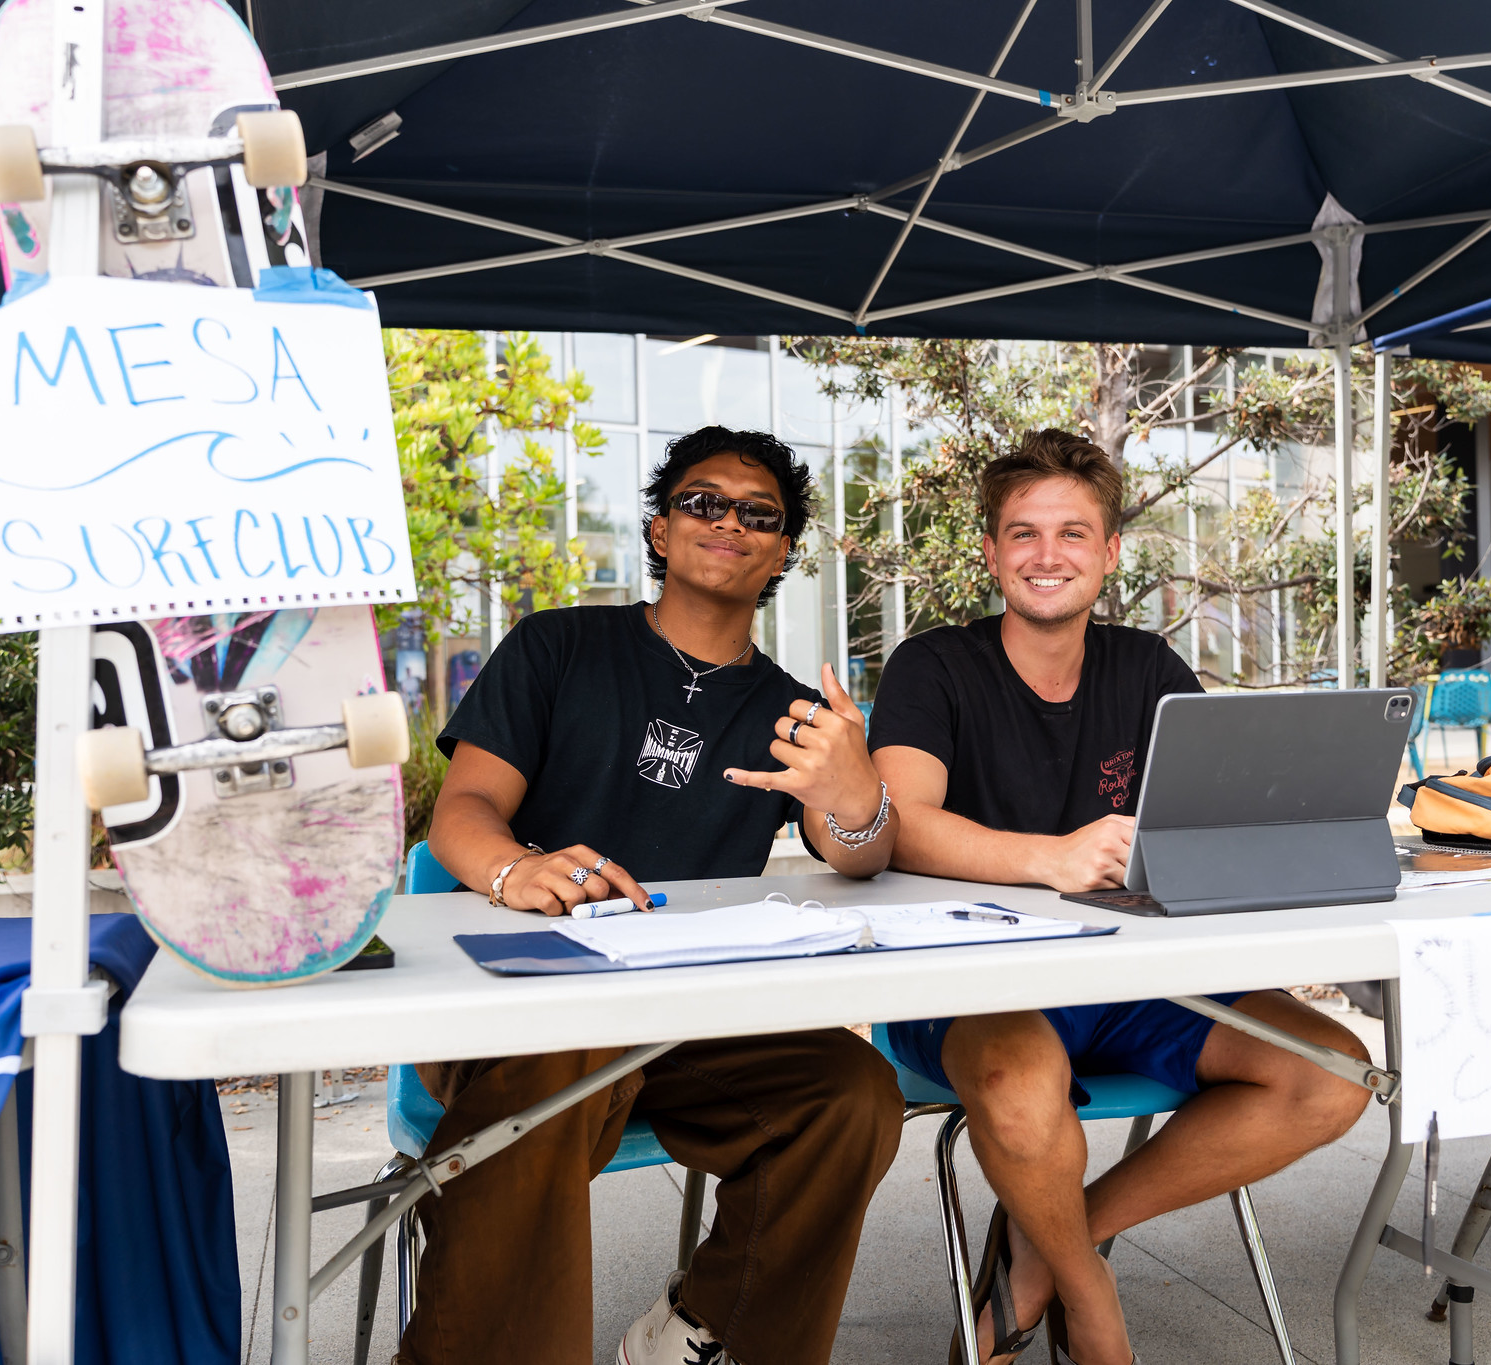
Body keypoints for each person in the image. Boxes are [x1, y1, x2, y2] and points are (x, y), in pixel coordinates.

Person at [867, 430, 1374, 1365]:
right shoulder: (932, 666)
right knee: (1020, 1080)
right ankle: (1092, 1296)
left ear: (1107, 553)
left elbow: (1213, 814)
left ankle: (1055, 1246)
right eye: (1022, 533)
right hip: (968, 987)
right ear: (991, 553)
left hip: (1134, 980)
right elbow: (901, 822)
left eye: (1072, 532)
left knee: (1335, 1073)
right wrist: (1048, 858)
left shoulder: (1146, 669)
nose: (1047, 555)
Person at [403, 427, 904, 1365]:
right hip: (530, 1003)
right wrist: (517, 870)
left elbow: (859, 855)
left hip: (690, 1016)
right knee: (564, 1052)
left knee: (853, 1093)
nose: (729, 523)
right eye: (702, 502)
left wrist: (856, 796)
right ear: (660, 530)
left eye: (760, 514)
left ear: (782, 551)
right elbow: (462, 812)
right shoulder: (558, 644)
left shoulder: (793, 711)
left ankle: (705, 1333)